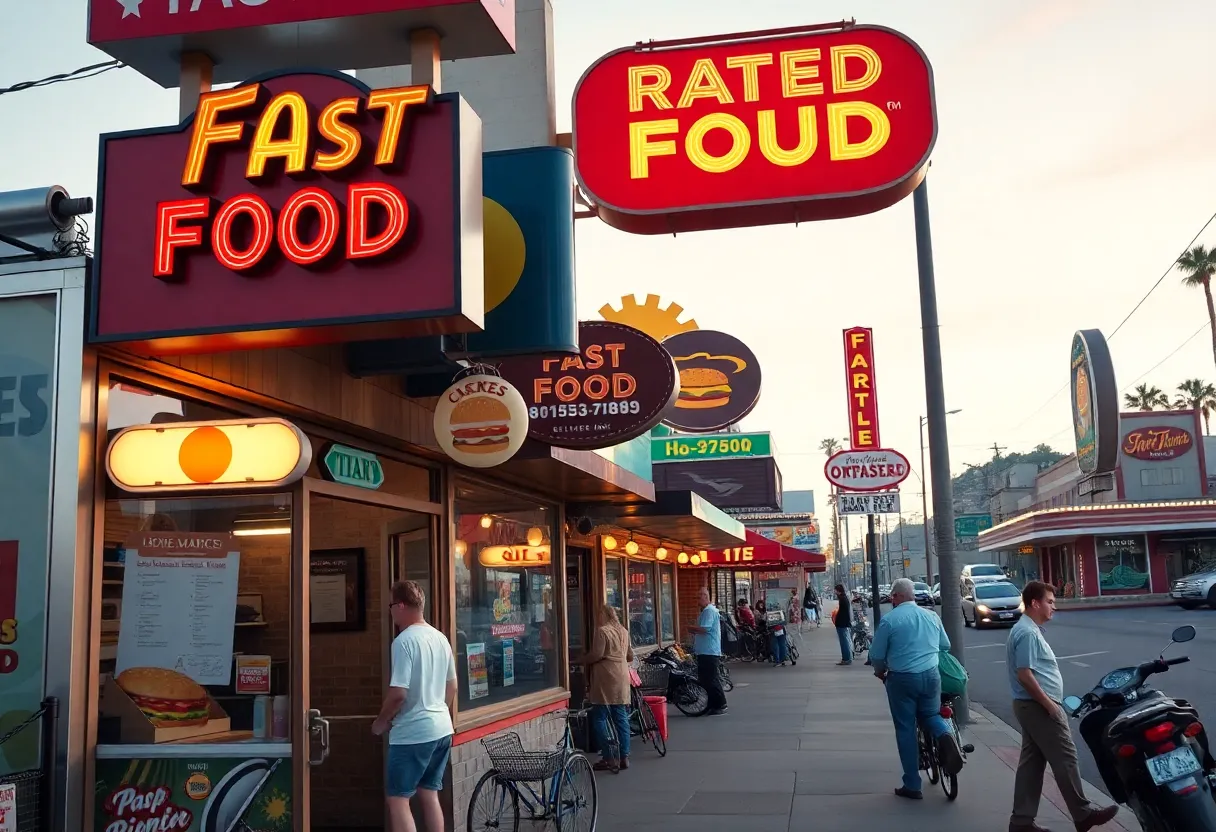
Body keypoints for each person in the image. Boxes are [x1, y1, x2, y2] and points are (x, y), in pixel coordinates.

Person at [1007, 581, 1118, 832]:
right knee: (1066, 757)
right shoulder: (1027, 633)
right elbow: (1024, 675)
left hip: (1029, 706)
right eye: (1050, 601)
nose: (1053, 607)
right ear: (1035, 603)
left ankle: (1021, 822)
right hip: (1037, 707)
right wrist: (1049, 705)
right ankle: (1083, 814)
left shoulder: (1027, 629)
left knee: (1032, 764)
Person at [373, 580, 457, 832]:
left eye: (391, 606)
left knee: (398, 799)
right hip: (442, 729)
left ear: (400, 605)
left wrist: (381, 721)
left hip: (412, 734)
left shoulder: (403, 642)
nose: (391, 613)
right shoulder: (440, 638)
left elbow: (398, 693)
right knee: (429, 794)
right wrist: (436, 711)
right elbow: (452, 686)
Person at [869, 578, 964, 800]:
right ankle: (944, 735)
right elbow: (945, 645)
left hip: (901, 679)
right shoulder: (931, 616)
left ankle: (912, 784)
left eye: (893, 596)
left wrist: (879, 672)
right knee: (930, 714)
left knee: (905, 728)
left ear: (898, 596)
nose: (892, 599)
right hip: (931, 676)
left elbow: (877, 656)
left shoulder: (889, 621)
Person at [581, 605, 634, 772]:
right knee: (621, 717)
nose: (597, 618)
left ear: (604, 615)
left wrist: (580, 660)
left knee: (600, 717)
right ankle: (624, 756)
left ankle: (609, 756)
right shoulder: (624, 631)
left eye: (599, 614)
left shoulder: (602, 631)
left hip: (606, 678)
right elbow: (630, 655)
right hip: (622, 677)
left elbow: (596, 654)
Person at [688, 587, 728, 715]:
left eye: (698, 598)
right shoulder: (707, 611)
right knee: (706, 679)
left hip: (708, 651)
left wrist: (691, 628)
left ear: (705, 596)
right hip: (705, 650)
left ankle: (720, 704)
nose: (697, 601)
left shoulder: (709, 611)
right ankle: (712, 704)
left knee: (711, 679)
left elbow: (704, 629)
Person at [833, 584, 853, 665]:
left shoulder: (842, 599)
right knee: (845, 640)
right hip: (843, 623)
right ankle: (847, 657)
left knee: (843, 641)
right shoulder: (845, 598)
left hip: (841, 623)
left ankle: (846, 658)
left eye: (835, 590)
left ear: (838, 590)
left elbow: (842, 613)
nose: (834, 592)